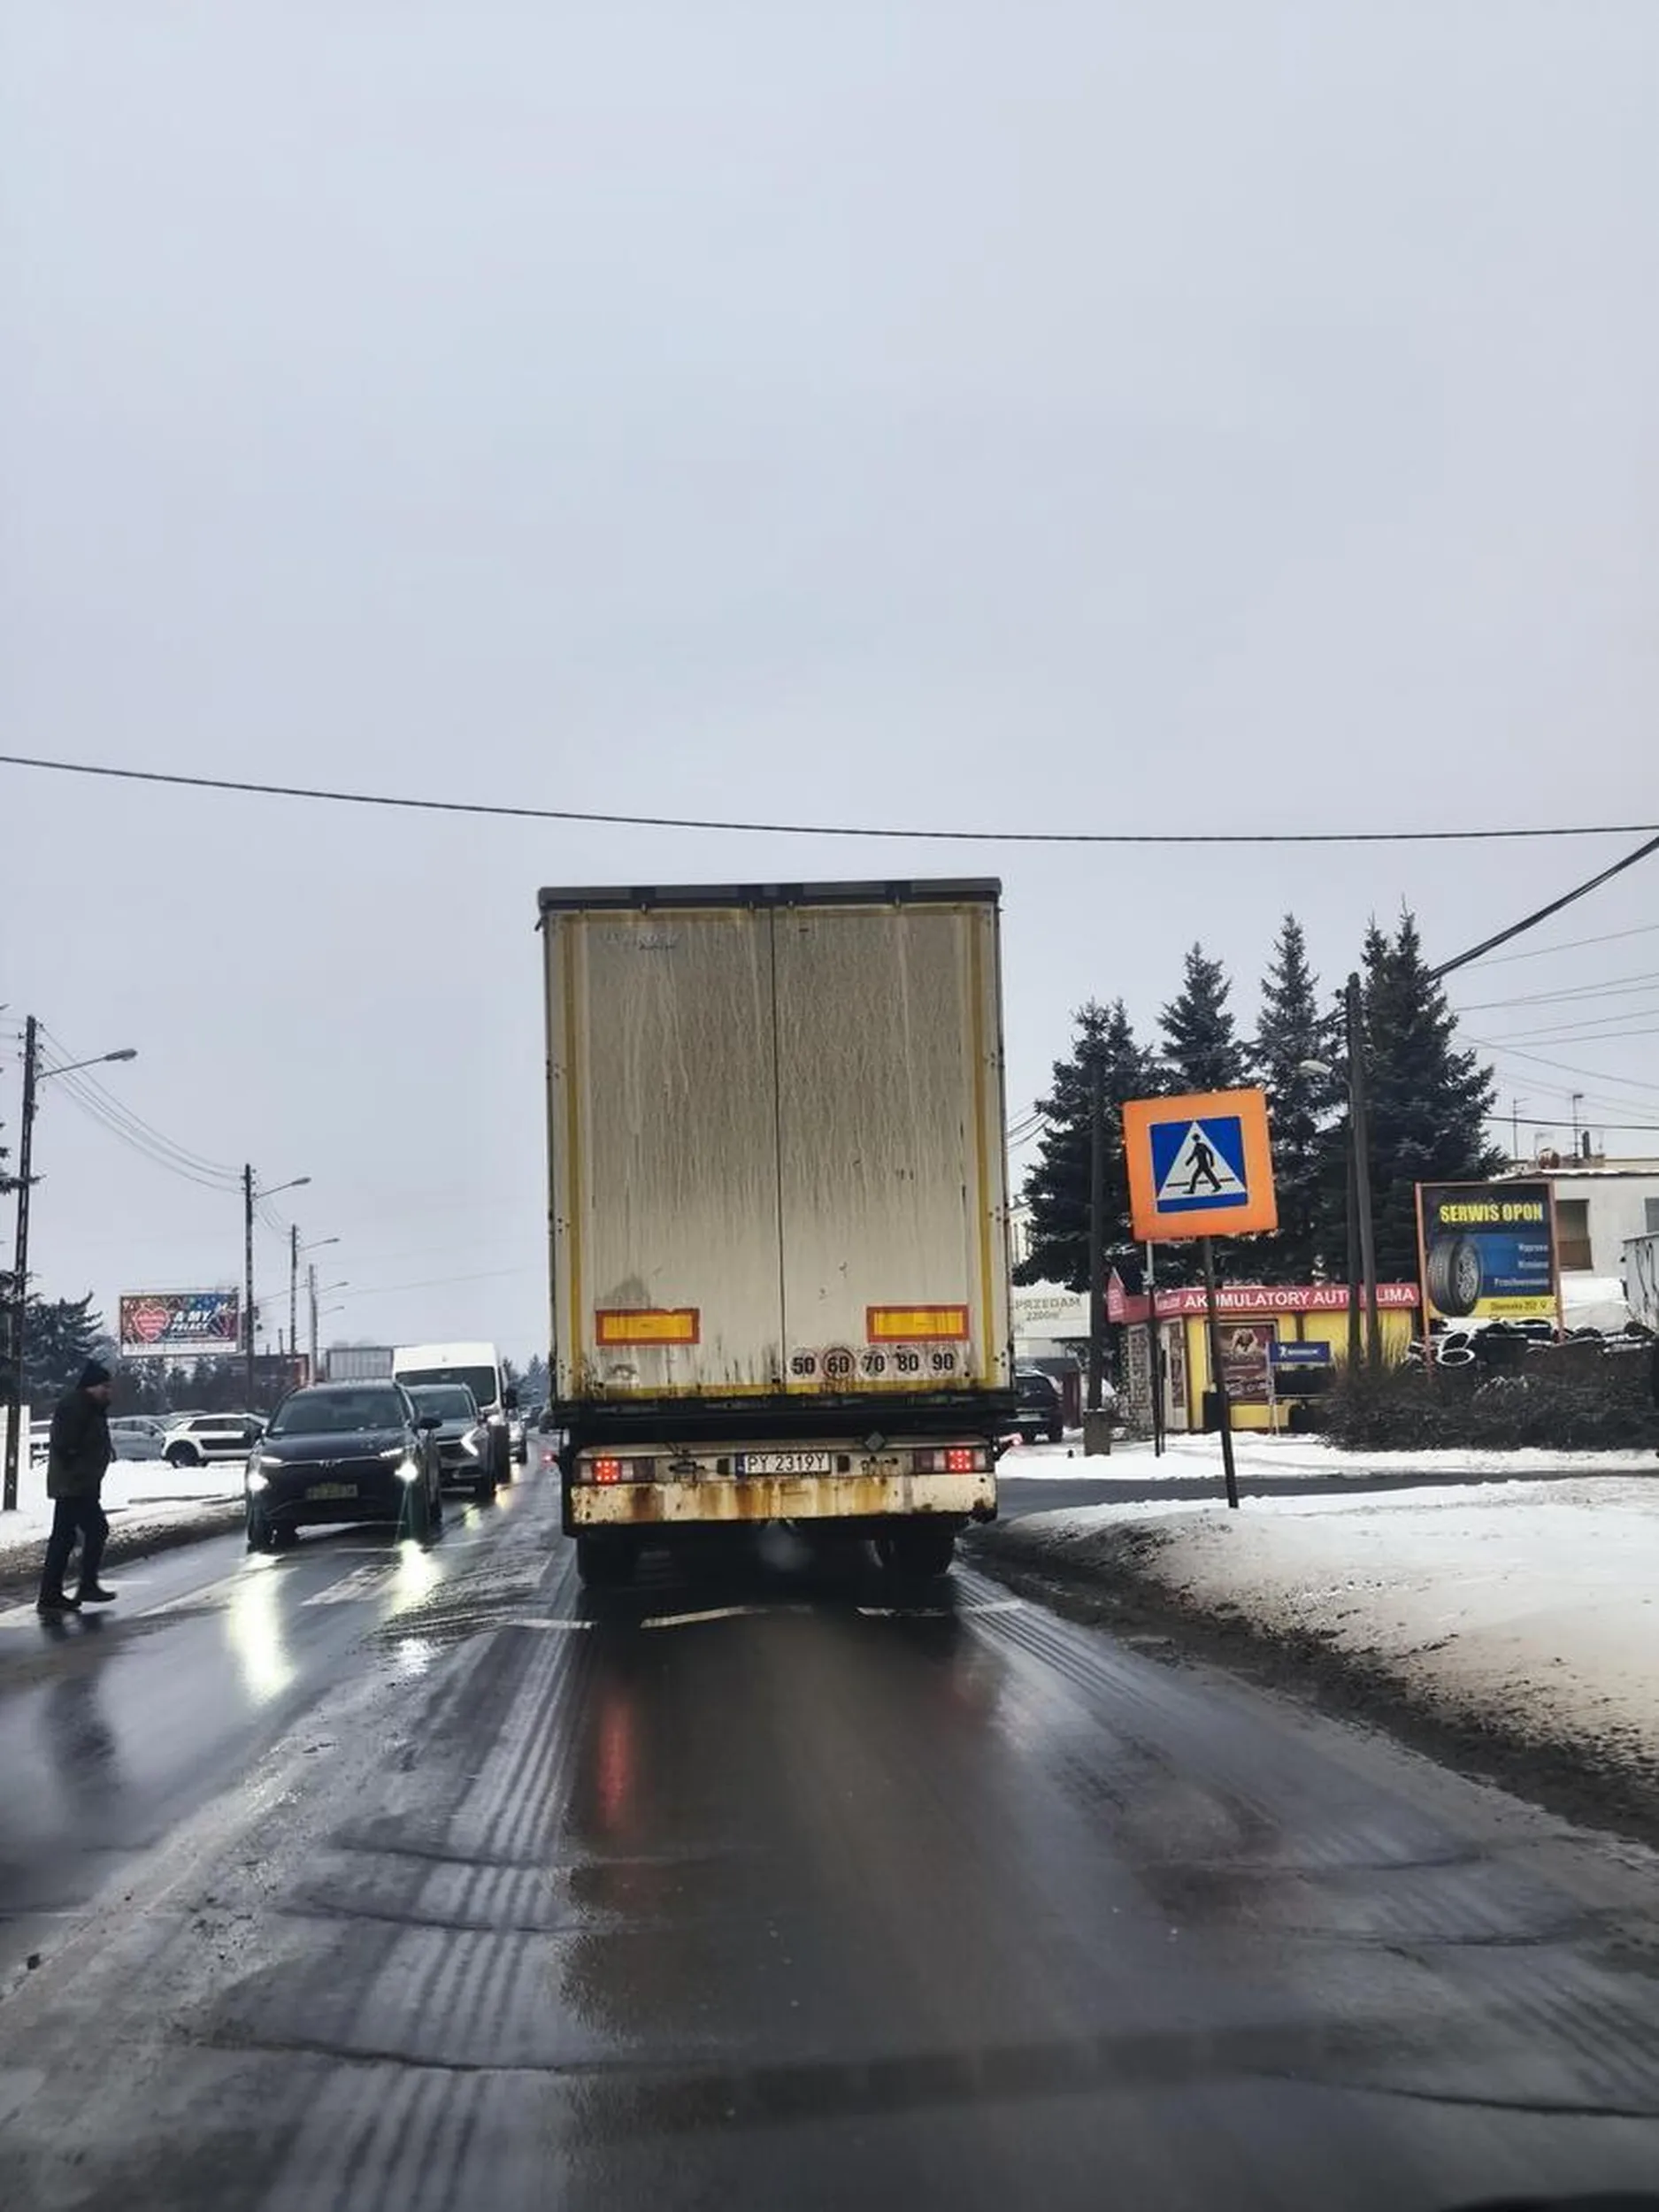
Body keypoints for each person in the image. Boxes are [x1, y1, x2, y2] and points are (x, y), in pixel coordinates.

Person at [36, 1360, 118, 1615]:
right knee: (96, 1529)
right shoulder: (77, 1406)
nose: (108, 1391)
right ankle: (85, 1585)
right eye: (104, 1386)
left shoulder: (90, 1407)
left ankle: (51, 1594)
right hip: (75, 1484)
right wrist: (79, 1464)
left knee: (64, 1537)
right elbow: (65, 1442)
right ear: (91, 1386)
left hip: (78, 1484)